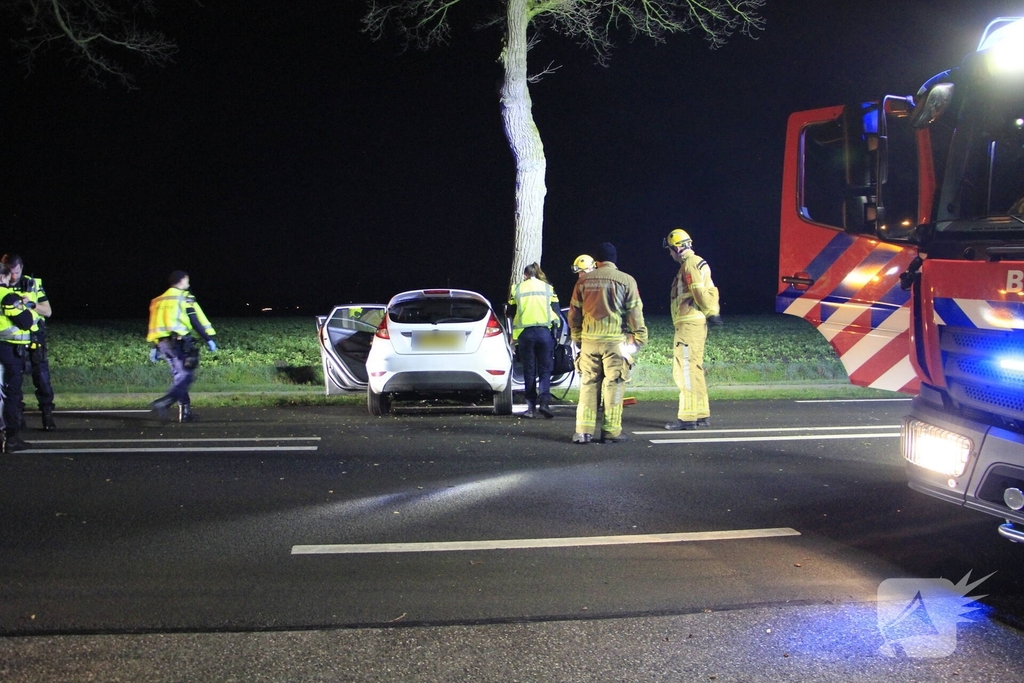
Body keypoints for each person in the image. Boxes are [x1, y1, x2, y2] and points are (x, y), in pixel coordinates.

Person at [568, 242, 647, 444]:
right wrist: (639, 337)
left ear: (597, 261)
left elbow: (574, 313)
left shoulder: (583, 281)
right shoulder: (627, 281)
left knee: (588, 383)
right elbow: (634, 313)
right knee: (614, 383)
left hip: (589, 341)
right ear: (615, 259)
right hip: (615, 342)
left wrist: (577, 337)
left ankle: (583, 432)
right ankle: (611, 431)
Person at [662, 228, 721, 431]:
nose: (670, 254)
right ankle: (701, 413)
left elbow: (698, 291)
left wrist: (711, 312)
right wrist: (711, 312)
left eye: (670, 250)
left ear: (677, 248)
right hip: (695, 323)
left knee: (684, 369)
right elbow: (710, 290)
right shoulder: (698, 262)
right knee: (695, 368)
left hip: (688, 324)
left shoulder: (690, 264)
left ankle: (687, 417)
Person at [147, 270, 218, 423]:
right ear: (181, 281)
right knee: (186, 377)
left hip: (163, 344)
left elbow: (155, 324)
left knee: (180, 377)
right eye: (187, 281)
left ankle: (185, 413)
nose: (188, 284)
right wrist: (208, 339)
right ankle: (165, 402)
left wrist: (154, 347)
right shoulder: (184, 297)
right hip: (179, 343)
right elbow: (194, 320)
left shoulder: (158, 300)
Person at [1, 253, 56, 430]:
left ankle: (47, 415)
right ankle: (16, 417)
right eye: (10, 272)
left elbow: (47, 312)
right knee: (13, 384)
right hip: (11, 343)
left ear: (22, 268)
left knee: (42, 379)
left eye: (16, 272)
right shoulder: (2, 287)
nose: (14, 276)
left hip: (34, 339)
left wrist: (30, 304)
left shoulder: (32, 284)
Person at [508, 262, 561, 419]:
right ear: (538, 274)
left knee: (529, 371)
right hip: (544, 333)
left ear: (525, 275)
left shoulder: (516, 289)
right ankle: (544, 403)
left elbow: (511, 312)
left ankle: (531, 408)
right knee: (545, 370)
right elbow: (556, 311)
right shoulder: (548, 288)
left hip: (525, 335)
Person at [0, 262, 36, 452]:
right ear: (3, 278)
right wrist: (26, 302)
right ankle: (11, 438)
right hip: (8, 351)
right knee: (10, 395)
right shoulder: (8, 296)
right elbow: (25, 322)